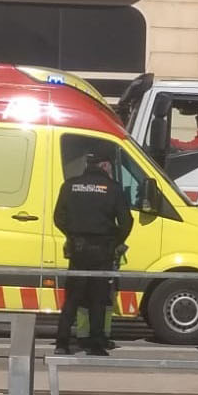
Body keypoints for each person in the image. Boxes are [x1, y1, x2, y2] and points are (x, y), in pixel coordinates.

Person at [51, 143, 134, 356]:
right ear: (105, 165)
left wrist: (73, 234)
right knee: (98, 298)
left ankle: (62, 343)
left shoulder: (70, 185)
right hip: (102, 250)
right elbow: (126, 221)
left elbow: (58, 217)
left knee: (73, 298)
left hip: (77, 249)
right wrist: (114, 240)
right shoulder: (113, 188)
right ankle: (96, 344)